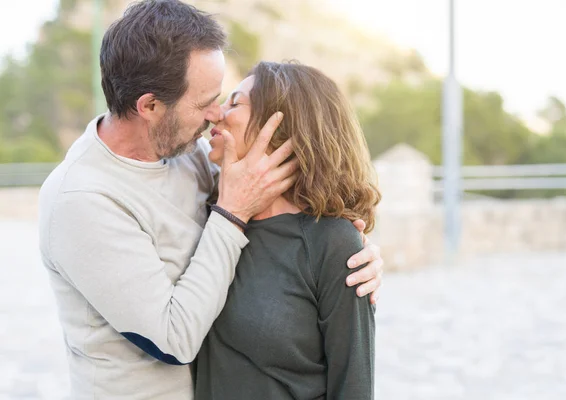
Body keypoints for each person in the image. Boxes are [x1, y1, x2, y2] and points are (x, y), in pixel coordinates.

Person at [38, 1, 383, 399]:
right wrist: (232, 213)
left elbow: (290, 211)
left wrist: (356, 253)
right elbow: (174, 340)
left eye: (227, 100)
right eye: (205, 103)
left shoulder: (188, 151)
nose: (216, 114)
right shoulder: (82, 198)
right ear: (150, 106)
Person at [194, 62, 380, 399]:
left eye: (234, 103)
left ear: (280, 127)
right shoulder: (208, 220)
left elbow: (353, 386)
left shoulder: (334, 243)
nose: (216, 114)